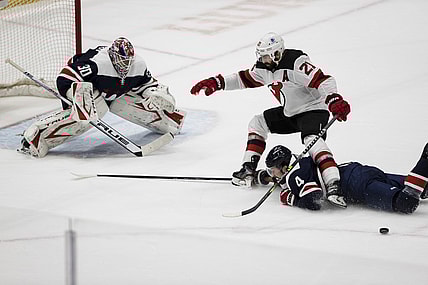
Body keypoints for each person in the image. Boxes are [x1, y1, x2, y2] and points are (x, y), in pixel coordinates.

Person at [190, 32, 350, 208]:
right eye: (261, 55)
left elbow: (324, 80)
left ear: (277, 53)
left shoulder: (296, 62)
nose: (263, 59)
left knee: (312, 141)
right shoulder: (263, 68)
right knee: (258, 123)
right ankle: (248, 169)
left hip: (313, 109)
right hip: (290, 112)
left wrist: (334, 99)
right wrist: (217, 82)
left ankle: (333, 184)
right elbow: (242, 79)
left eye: (266, 55)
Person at [19, 37, 186, 157]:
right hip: (91, 89)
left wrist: (155, 94)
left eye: (128, 61)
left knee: (143, 102)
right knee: (92, 113)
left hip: (116, 92)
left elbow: (147, 84)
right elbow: (65, 78)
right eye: (121, 60)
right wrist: (76, 97)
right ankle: (37, 136)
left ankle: (169, 120)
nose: (125, 65)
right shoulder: (97, 63)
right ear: (112, 56)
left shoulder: (138, 65)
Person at [254, 143, 428, 213]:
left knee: (406, 202)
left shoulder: (294, 176)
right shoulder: (300, 161)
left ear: (284, 166)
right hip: (355, 171)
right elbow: (283, 179)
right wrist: (260, 177)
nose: (272, 174)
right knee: (423, 186)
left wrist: (290, 198)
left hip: (356, 186)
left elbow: (313, 200)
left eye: (272, 170)